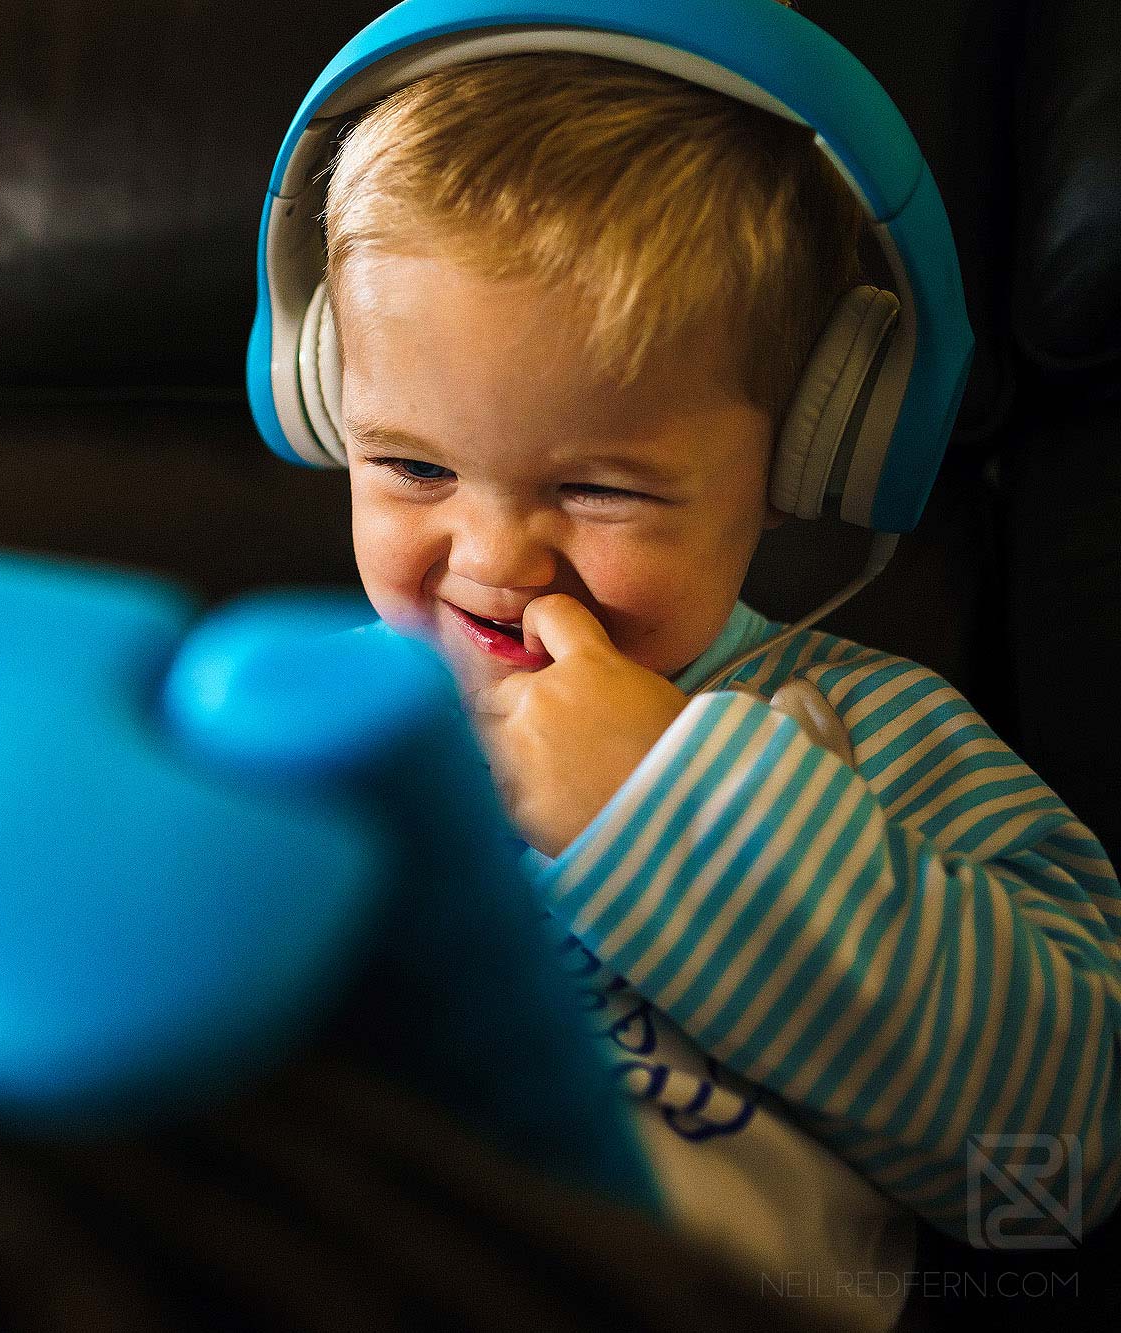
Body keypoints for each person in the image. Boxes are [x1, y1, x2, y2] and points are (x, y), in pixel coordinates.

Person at [316, 40, 1121, 1332]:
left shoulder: (875, 731)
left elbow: (1064, 1140)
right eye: (411, 467)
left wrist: (667, 803)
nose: (491, 560)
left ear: (804, 455)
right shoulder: (310, 714)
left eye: (598, 488)